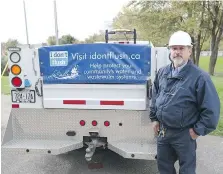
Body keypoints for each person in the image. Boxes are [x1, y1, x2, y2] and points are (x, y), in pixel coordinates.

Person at [150, 30, 220, 174]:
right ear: (170, 51)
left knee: (187, 170)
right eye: (174, 48)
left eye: (181, 48)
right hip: (164, 132)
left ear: (189, 50)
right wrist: (155, 119)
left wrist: (197, 131)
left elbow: (211, 110)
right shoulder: (163, 72)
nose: (177, 52)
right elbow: (155, 96)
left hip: (184, 134)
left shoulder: (200, 77)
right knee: (164, 168)